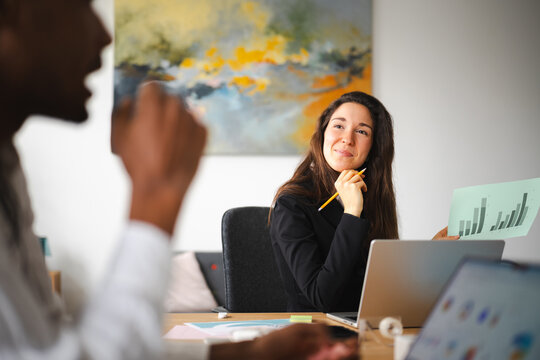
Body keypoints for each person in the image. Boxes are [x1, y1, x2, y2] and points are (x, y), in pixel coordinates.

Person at [0, 0, 357, 359]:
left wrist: (255, 352)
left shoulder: (8, 169)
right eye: (80, 6)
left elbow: (62, 348)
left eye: (363, 131)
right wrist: (157, 194)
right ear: (12, 11)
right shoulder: (294, 202)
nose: (105, 35)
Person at [270, 91, 458, 313]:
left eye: (361, 131)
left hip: (366, 325)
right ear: (323, 134)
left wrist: (429, 254)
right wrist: (351, 214)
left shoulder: (371, 196)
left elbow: (380, 284)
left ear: (373, 148)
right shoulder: (292, 203)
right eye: (338, 126)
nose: (348, 139)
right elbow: (321, 298)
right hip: (314, 331)